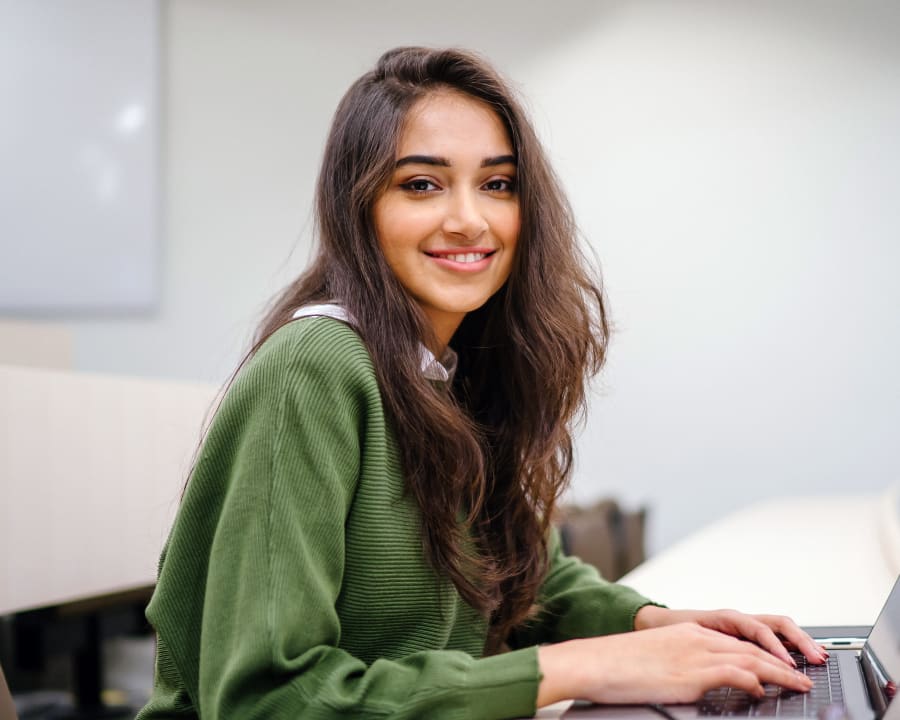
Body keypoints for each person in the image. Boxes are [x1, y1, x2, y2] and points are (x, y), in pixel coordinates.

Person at [136, 46, 826, 720]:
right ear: (360, 208)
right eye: (421, 184)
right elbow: (266, 698)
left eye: (497, 184)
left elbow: (521, 574)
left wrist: (656, 626)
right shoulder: (314, 368)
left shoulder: (449, 366)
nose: (470, 219)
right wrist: (581, 669)